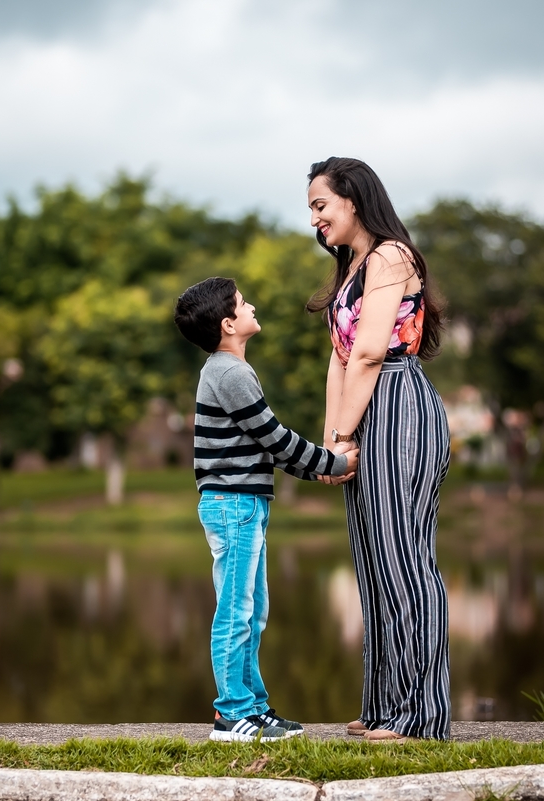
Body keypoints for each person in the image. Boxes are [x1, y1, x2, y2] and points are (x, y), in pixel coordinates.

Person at [174, 276, 359, 742]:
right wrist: (331, 463)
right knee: (235, 611)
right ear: (228, 323)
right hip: (233, 506)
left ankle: (253, 707)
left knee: (252, 611)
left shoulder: (227, 369)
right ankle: (230, 714)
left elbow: (265, 448)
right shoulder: (230, 373)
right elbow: (274, 437)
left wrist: (316, 471)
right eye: (242, 303)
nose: (251, 306)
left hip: (244, 504)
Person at [306, 156, 451, 742]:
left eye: (321, 206)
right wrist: (331, 444)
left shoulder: (392, 256)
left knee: (404, 562)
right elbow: (338, 362)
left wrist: (344, 434)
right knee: (372, 564)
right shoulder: (352, 269)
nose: (315, 220)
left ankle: (421, 716)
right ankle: (385, 707)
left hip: (398, 403)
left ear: (354, 199)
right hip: (364, 411)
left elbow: (369, 354)